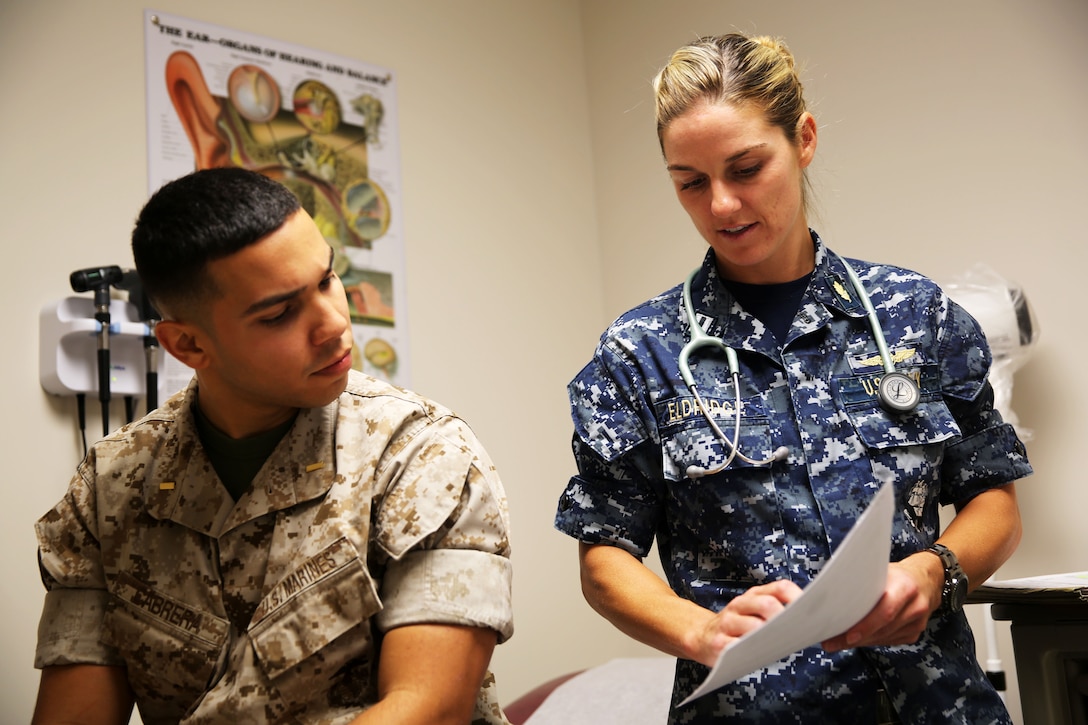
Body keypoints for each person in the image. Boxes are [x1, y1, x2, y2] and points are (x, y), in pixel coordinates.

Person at [553, 33, 1030, 724]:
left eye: (746, 167)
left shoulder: (915, 314)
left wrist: (934, 570)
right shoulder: (640, 351)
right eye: (689, 181)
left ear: (802, 139)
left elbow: (995, 500)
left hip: (936, 704)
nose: (720, 205)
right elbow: (604, 556)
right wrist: (700, 631)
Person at [33, 167, 514, 725]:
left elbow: (430, 710)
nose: (334, 324)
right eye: (281, 313)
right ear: (187, 344)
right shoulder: (109, 489)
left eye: (328, 279)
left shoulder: (420, 455)